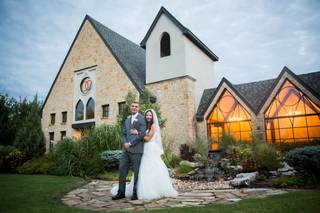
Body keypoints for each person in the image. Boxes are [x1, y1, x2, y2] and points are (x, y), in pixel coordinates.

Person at [111, 109, 178, 200]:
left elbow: (148, 138)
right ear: (145, 116)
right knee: (141, 169)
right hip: (143, 149)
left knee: (151, 169)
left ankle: (153, 190)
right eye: (147, 115)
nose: (148, 117)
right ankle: (136, 190)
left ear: (153, 117)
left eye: (150, 115)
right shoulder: (144, 125)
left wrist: (137, 133)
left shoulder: (153, 126)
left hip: (150, 148)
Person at [112, 101, 146, 201]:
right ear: (130, 107)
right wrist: (125, 143)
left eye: (136, 106)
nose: (134, 107)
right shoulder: (127, 120)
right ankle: (121, 192)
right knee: (122, 170)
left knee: (136, 172)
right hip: (125, 150)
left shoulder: (142, 119)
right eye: (133, 106)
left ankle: (135, 193)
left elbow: (142, 134)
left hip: (136, 150)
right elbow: (124, 133)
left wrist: (131, 144)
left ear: (138, 108)